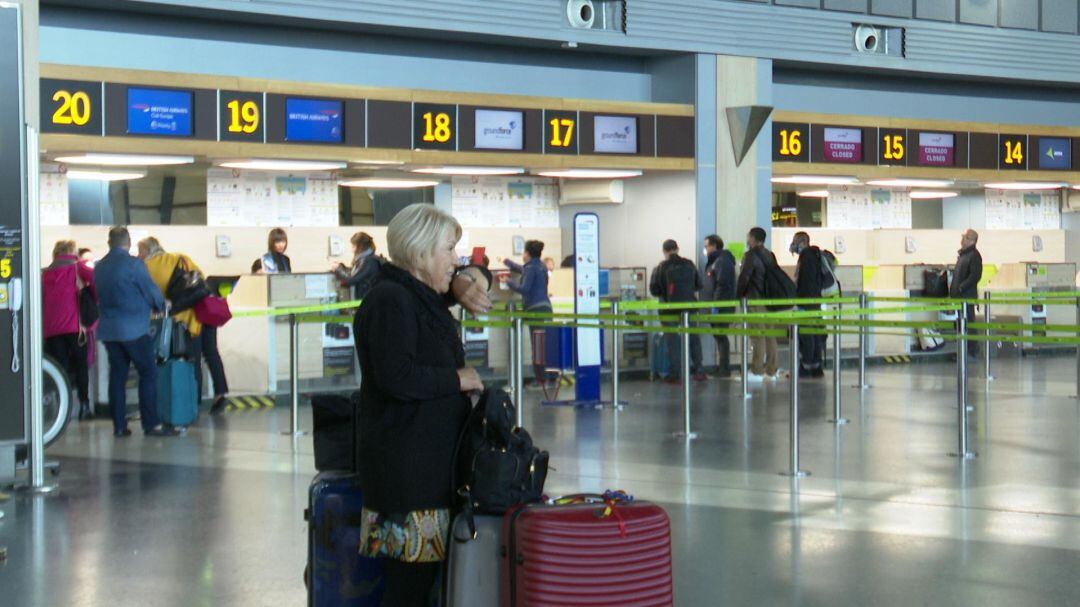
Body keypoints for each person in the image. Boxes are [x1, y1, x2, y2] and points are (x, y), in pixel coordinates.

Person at [354, 204, 482, 606]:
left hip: (428, 470)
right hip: (407, 479)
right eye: (449, 249)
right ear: (422, 251)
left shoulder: (421, 297)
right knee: (409, 587)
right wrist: (456, 379)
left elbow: (481, 279)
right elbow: (395, 375)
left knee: (425, 585)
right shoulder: (391, 300)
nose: (456, 259)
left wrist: (464, 281)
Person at [94, 227, 177, 437]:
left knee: (117, 376)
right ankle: (151, 424)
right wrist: (161, 305)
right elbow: (150, 291)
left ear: (109, 243)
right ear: (128, 243)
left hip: (109, 331)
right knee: (148, 372)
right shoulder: (134, 265)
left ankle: (119, 426)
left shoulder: (99, 267)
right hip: (134, 330)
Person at [139, 237, 230, 415]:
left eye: (140, 251)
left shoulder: (147, 267)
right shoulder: (181, 258)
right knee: (211, 352)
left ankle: (193, 402)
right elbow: (200, 279)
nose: (138, 255)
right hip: (204, 311)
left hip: (186, 320)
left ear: (146, 251)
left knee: (192, 359)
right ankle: (221, 393)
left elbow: (152, 297)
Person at [42, 240, 96, 421]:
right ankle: (85, 407)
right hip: (75, 327)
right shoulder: (78, 267)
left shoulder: (44, 273)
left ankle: (61, 410)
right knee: (81, 366)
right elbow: (96, 283)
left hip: (51, 329)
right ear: (72, 251)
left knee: (60, 368)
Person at [649, 239, 706, 382]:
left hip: (669, 310)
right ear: (677, 249)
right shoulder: (689, 264)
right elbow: (699, 285)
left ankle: (676, 374)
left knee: (672, 340)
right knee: (693, 338)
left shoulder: (661, 267)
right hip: (690, 308)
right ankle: (699, 370)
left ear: (664, 251)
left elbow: (654, 290)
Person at [504, 240, 554, 387]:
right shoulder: (540, 266)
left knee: (538, 346)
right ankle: (549, 377)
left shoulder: (531, 268)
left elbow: (525, 289)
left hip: (535, 310)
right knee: (545, 345)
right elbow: (522, 269)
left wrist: (509, 282)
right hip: (545, 309)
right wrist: (507, 262)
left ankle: (541, 380)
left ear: (527, 253)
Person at [737, 227, 779, 382]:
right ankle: (771, 369)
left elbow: (744, 278)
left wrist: (739, 296)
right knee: (770, 335)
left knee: (757, 336)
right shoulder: (770, 255)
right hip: (769, 300)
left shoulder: (750, 256)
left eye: (749, 237)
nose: (748, 240)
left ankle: (757, 371)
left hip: (755, 299)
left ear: (753, 239)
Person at [790, 231, 826, 378]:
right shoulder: (815, 256)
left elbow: (805, 282)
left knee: (807, 334)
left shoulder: (807, 258)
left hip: (807, 302)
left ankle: (806, 365)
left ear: (803, 242)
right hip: (815, 301)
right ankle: (816, 367)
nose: (793, 245)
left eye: (795, 241)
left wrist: (800, 300)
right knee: (815, 333)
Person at [703, 234, 737, 378]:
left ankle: (724, 368)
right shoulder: (716, 261)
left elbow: (722, 285)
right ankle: (722, 366)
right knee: (719, 336)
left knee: (721, 336)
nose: (705, 249)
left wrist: (716, 306)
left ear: (714, 245)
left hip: (721, 306)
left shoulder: (722, 261)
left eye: (707, 246)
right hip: (716, 304)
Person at [951, 229, 983, 357]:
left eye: (965, 237)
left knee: (969, 323)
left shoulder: (974, 256)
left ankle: (971, 351)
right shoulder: (964, 255)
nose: (962, 239)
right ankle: (963, 351)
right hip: (960, 296)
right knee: (962, 324)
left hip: (966, 296)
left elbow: (975, 276)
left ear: (971, 241)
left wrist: (961, 287)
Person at [333, 232, 383, 301]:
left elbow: (352, 279)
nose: (352, 250)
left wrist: (338, 269)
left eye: (353, 246)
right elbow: (355, 274)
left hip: (367, 301)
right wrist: (342, 267)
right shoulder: (366, 259)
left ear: (359, 247)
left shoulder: (368, 261)